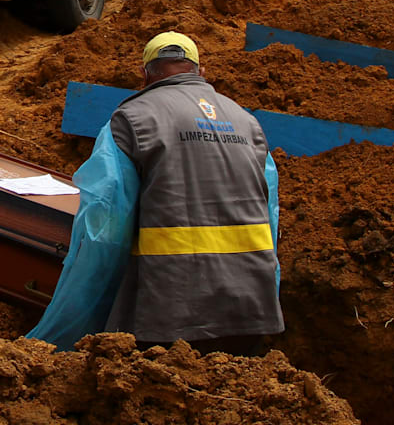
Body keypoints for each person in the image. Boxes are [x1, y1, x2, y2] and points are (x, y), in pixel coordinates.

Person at [104, 32, 283, 353]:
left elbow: (107, 219)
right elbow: (270, 213)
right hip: (250, 302)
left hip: (169, 310)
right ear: (201, 72)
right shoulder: (247, 122)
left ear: (144, 74)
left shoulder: (133, 117)